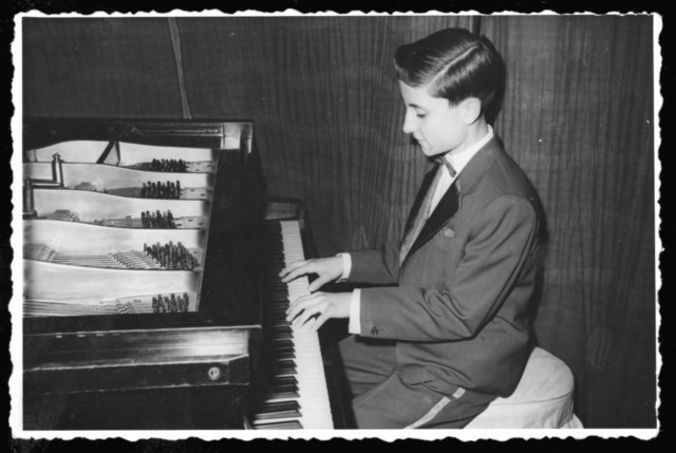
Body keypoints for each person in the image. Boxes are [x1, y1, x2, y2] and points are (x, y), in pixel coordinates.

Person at [280, 28, 546, 429]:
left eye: (419, 113)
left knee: (333, 429)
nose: (406, 126)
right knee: (303, 372)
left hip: (456, 367)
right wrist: (341, 265)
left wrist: (346, 305)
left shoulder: (506, 203)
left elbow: (457, 313)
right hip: (413, 340)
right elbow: (411, 258)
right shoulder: (446, 166)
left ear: (469, 110)